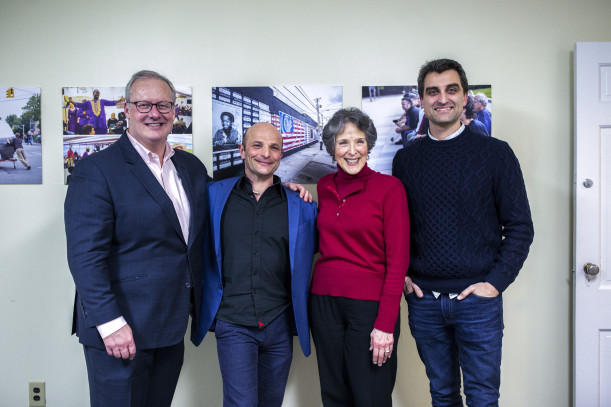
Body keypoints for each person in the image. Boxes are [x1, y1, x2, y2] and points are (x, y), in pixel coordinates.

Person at [65, 70, 211, 407]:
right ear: (127, 109)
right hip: (120, 328)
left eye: (163, 105)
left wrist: (280, 187)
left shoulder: (190, 168)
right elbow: (85, 256)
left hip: (170, 326)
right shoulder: (96, 170)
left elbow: (225, 202)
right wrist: (109, 322)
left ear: (175, 111)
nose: (154, 113)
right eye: (143, 104)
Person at [392, 58, 534, 406]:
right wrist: (404, 277)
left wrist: (495, 283)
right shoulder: (405, 160)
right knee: (442, 395)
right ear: (422, 100)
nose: (442, 98)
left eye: (451, 89)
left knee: (482, 397)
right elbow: (396, 228)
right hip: (425, 302)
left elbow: (520, 227)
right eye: (433, 91)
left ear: (465, 96)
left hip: (478, 303)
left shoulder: (495, 154)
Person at [198, 122, 317, 407]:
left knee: (270, 402)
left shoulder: (301, 204)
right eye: (257, 145)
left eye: (274, 147)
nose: (266, 153)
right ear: (242, 150)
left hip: (279, 321)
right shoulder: (213, 195)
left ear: (281, 154)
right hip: (233, 320)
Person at [310, 107, 410, 406]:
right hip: (323, 302)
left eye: (359, 141)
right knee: (334, 393)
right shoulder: (324, 187)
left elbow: (398, 261)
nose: (352, 151)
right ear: (332, 148)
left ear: (369, 145)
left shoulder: (389, 188)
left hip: (370, 307)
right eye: (343, 142)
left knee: (371, 395)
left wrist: (385, 324)